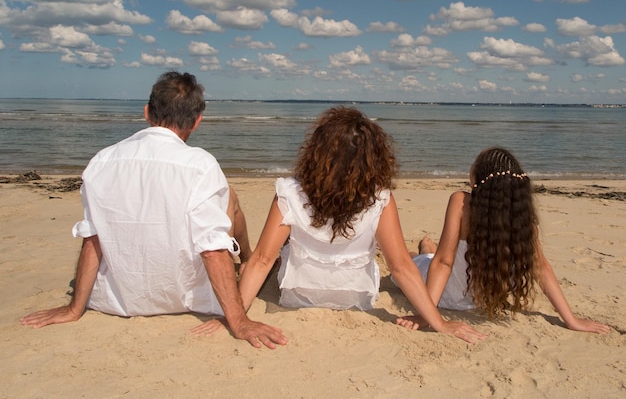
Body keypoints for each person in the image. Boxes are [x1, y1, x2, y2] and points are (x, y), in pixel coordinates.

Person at [21, 71, 287, 349]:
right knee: (228, 201)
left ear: (148, 113)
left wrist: (74, 308)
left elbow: (94, 239)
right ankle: (245, 260)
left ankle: (244, 259)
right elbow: (211, 248)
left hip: (118, 301)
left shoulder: (103, 160)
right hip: (187, 298)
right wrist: (239, 321)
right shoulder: (200, 164)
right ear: (197, 122)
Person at [199, 106, 485, 343]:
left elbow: (262, 259)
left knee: (281, 246)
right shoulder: (380, 198)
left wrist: (234, 319)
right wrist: (439, 322)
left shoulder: (290, 191)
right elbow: (400, 266)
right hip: (356, 297)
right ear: (372, 159)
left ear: (317, 152)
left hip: (299, 296)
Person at [397, 147, 610, 334]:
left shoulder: (461, 202)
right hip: (481, 299)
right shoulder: (521, 217)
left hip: (445, 293)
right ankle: (426, 249)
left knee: (411, 260)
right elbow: (541, 267)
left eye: (473, 165)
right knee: (431, 256)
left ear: (479, 179)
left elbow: (444, 262)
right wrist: (570, 320)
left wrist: (427, 315)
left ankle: (424, 251)